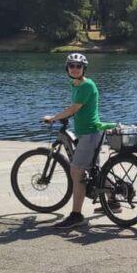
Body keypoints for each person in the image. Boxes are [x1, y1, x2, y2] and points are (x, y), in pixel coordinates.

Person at [42, 53, 106, 229]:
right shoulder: (75, 83)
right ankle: (113, 201)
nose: (75, 69)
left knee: (76, 172)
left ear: (84, 68)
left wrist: (54, 118)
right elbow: (78, 109)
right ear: (67, 69)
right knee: (94, 170)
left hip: (90, 133)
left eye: (78, 66)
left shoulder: (86, 85)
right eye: (71, 66)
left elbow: (74, 108)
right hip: (88, 131)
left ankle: (76, 216)